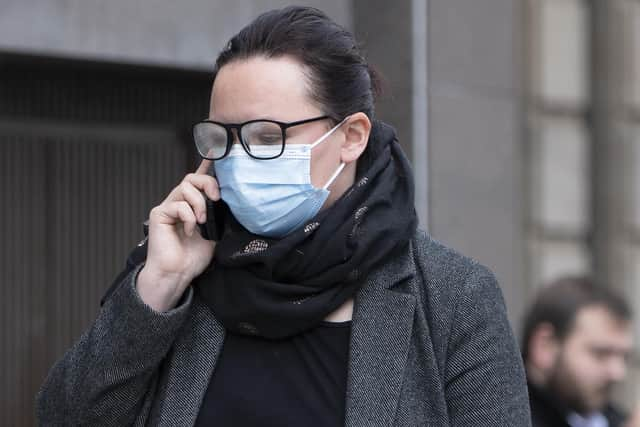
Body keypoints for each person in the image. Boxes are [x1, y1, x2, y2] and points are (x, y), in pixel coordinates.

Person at [36, 6, 530, 426]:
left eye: (268, 136)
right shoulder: (194, 277)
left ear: (352, 135)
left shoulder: (451, 297)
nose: (240, 158)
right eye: (224, 137)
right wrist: (159, 284)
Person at [522, 276, 635, 427]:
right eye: (600, 353)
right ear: (545, 345)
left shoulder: (613, 418)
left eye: (624, 357)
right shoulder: (500, 414)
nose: (618, 373)